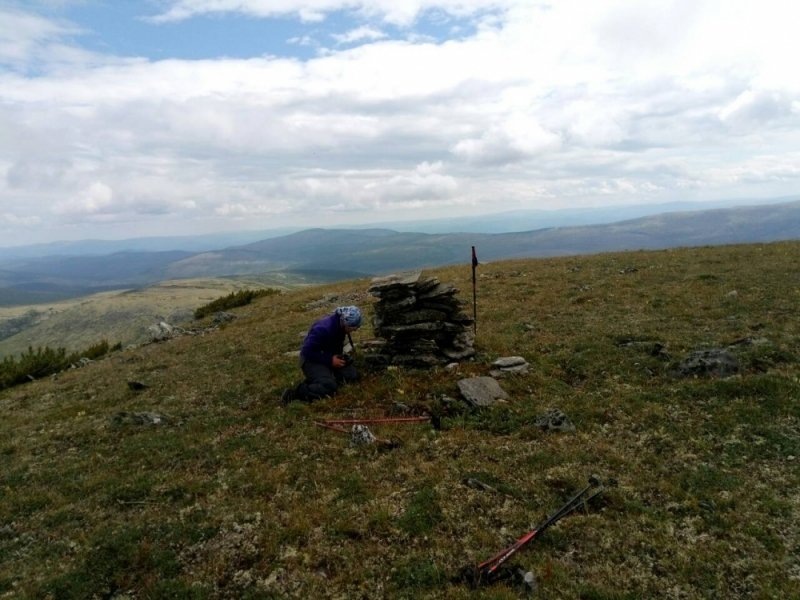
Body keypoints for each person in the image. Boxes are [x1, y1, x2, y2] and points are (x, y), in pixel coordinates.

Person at [281, 305, 362, 403]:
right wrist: (330, 360)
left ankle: (320, 380)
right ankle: (294, 394)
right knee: (329, 387)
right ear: (346, 324)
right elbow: (307, 351)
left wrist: (340, 358)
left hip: (327, 357)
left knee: (352, 376)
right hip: (311, 360)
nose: (355, 330)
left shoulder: (340, 325)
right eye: (354, 327)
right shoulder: (323, 329)